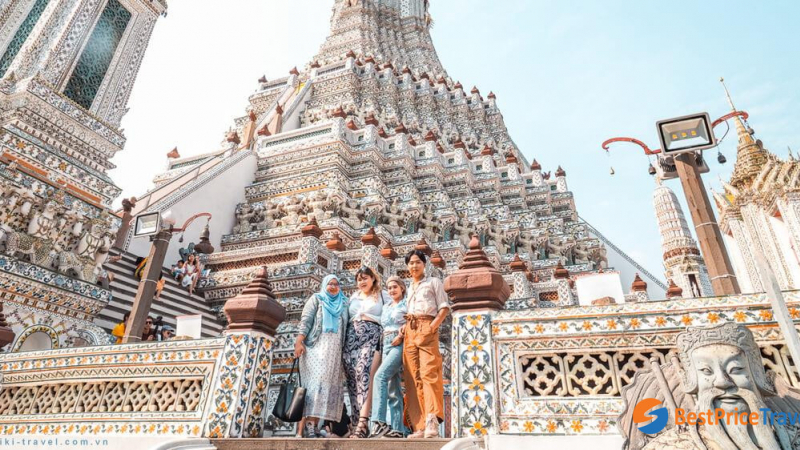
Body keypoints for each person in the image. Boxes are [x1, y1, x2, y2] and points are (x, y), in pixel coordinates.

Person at [402, 250, 450, 439]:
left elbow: (444, 308)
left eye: (417, 262)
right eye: (411, 263)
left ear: (424, 264)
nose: (414, 266)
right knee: (413, 378)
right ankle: (419, 426)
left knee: (429, 374)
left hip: (426, 326)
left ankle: (432, 420)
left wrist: (432, 327)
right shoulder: (410, 286)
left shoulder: (433, 282)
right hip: (410, 329)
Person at [294, 274, 349, 438]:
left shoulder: (344, 303)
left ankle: (315, 427)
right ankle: (310, 426)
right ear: (324, 285)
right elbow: (306, 320)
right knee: (315, 386)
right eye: (329, 284)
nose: (332, 287)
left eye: (336, 284)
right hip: (315, 348)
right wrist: (299, 341)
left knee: (324, 388)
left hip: (333, 352)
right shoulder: (317, 299)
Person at [343, 266, 386, 439]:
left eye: (365, 278)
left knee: (365, 374)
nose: (362, 282)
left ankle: (363, 422)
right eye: (359, 279)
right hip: (352, 336)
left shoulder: (382, 295)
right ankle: (355, 424)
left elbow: (395, 308)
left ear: (373, 279)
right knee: (352, 378)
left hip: (372, 335)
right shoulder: (353, 297)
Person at [371, 275, 408, 438]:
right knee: (394, 388)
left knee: (380, 377)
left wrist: (402, 333)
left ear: (402, 288)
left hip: (398, 343)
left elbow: (412, 321)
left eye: (395, 287)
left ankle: (378, 422)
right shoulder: (386, 306)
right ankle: (398, 428)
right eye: (389, 287)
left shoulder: (407, 304)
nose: (392, 290)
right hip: (385, 343)